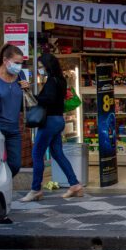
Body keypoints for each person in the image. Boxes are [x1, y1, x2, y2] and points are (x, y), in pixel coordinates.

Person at [21, 53, 83, 202]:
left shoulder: (52, 81)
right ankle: (74, 185)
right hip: (58, 120)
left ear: (48, 66)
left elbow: (47, 100)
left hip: (49, 122)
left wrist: (30, 91)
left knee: (37, 154)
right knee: (57, 153)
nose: (40, 69)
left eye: (41, 66)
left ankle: (36, 189)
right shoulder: (60, 80)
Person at [0, 44, 29, 178]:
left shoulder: (20, 75)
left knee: (15, 165)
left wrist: (27, 90)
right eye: (16, 63)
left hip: (14, 129)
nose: (19, 66)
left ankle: (3, 184)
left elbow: (23, 101)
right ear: (5, 60)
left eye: (21, 63)